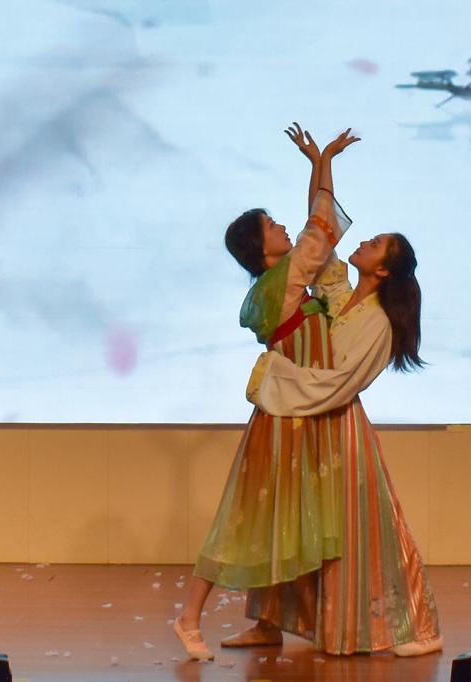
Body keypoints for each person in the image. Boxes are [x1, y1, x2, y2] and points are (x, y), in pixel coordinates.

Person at [173, 124, 359, 661]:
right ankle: (188, 616)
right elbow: (319, 226)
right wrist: (322, 164)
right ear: (261, 248)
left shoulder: (284, 281)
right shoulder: (282, 284)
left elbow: (316, 228)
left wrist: (319, 164)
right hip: (283, 422)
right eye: (272, 226)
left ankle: (269, 621)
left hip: (298, 416)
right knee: (244, 520)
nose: (283, 227)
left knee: (284, 520)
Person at [242, 228, 443, 656]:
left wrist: (274, 377)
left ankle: (412, 627)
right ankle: (270, 621)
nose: (365, 242)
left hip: (339, 430)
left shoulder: (378, 323)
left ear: (383, 270)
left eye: (375, 245)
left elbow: (338, 383)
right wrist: (322, 177)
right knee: (292, 521)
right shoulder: (340, 295)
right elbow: (319, 232)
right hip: (310, 423)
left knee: (356, 530)